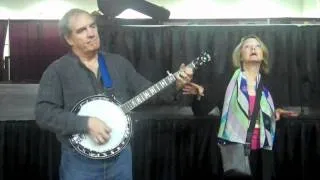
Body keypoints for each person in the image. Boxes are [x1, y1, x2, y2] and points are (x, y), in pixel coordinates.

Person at [34, 8, 193, 180]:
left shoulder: (118, 63)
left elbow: (148, 92)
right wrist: (85, 123)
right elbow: (44, 114)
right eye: (82, 30)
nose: (91, 34)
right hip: (79, 163)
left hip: (120, 160)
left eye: (92, 26)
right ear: (68, 38)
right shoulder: (57, 70)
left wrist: (176, 84)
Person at [182, 35, 298, 180]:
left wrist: (277, 111)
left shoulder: (270, 83)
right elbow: (199, 111)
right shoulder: (226, 80)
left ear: (263, 55)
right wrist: (200, 94)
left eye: (257, 46)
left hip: (264, 148)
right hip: (234, 149)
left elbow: (274, 108)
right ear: (240, 56)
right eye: (248, 46)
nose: (253, 48)